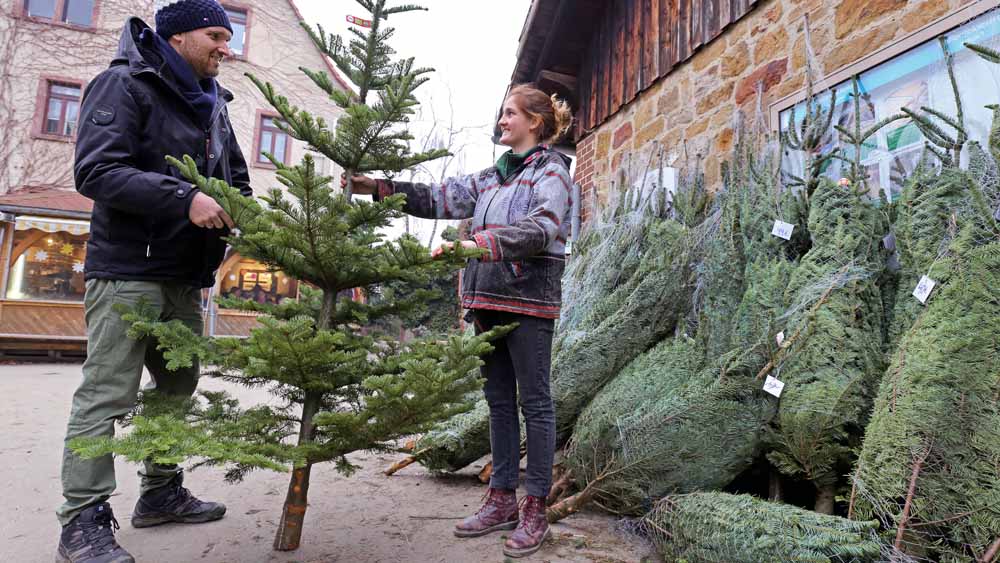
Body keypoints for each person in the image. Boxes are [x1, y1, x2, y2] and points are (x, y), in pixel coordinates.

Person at [58, 1, 252, 562]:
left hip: (184, 276)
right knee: (106, 395)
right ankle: (81, 523)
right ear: (179, 36)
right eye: (217, 34)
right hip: (127, 272)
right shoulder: (123, 85)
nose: (226, 47)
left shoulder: (215, 105)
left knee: (176, 388)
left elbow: (235, 179)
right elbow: (96, 170)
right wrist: (183, 197)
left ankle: (161, 492)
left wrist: (248, 217)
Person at [344, 84, 573, 558]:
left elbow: (542, 228)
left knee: (536, 403)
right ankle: (501, 499)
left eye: (510, 113)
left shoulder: (552, 172)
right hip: (486, 299)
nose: (502, 120)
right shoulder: (491, 177)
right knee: (497, 402)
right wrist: (379, 189)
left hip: (529, 302)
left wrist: (477, 244)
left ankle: (535, 507)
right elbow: (438, 197)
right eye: (501, 113)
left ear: (535, 121)